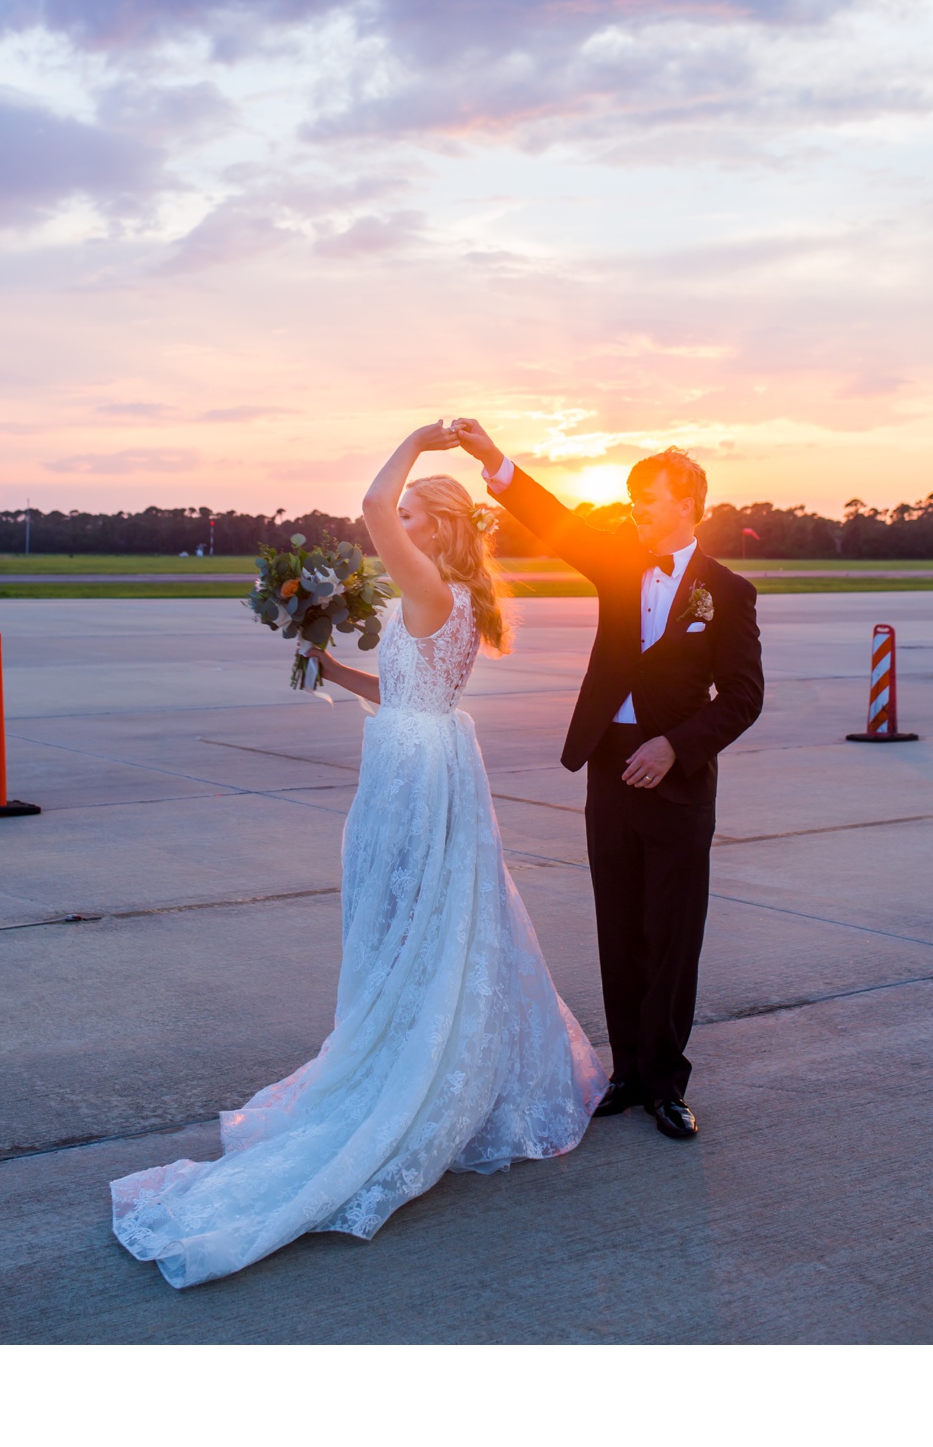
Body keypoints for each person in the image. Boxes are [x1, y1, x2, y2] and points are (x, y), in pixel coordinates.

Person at [110, 424, 607, 1288]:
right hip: (428, 752)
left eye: (415, 514)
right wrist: (330, 667)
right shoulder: (447, 593)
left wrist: (421, 439)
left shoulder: (423, 577)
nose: (396, 521)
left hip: (412, 771)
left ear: (439, 527)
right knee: (425, 922)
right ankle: (416, 1042)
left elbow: (372, 501)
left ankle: (396, 1073)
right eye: (403, 514)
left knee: (401, 918)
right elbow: (405, 688)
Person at [451, 419, 763, 1142]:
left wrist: (674, 747)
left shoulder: (729, 592)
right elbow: (555, 521)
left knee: (672, 934)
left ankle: (665, 1083)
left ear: (687, 502)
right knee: (618, 926)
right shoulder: (619, 562)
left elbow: (742, 698)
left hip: (677, 778)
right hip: (608, 765)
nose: (636, 511)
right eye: (629, 499)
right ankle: (625, 1073)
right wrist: (494, 459)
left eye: (647, 499)